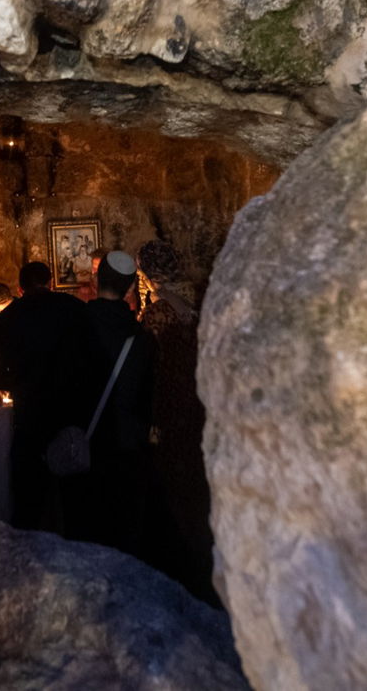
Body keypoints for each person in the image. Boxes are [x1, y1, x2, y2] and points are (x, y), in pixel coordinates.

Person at [0, 261, 98, 532]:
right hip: (71, 414)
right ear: (50, 282)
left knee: (29, 499)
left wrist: (21, 383)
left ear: (20, 289)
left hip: (30, 414)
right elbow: (93, 359)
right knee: (73, 497)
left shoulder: (7, 318)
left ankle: (30, 557)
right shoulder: (75, 310)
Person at [137, 239, 216, 603]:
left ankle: (184, 576)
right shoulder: (199, 302)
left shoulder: (157, 313)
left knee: (173, 496)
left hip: (169, 415)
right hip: (198, 409)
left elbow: (148, 369)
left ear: (147, 273)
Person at [72, 250, 155, 551]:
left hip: (84, 442)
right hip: (126, 444)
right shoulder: (141, 337)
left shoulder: (75, 326)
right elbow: (147, 396)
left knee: (84, 534)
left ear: (96, 278)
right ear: (131, 287)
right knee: (122, 534)